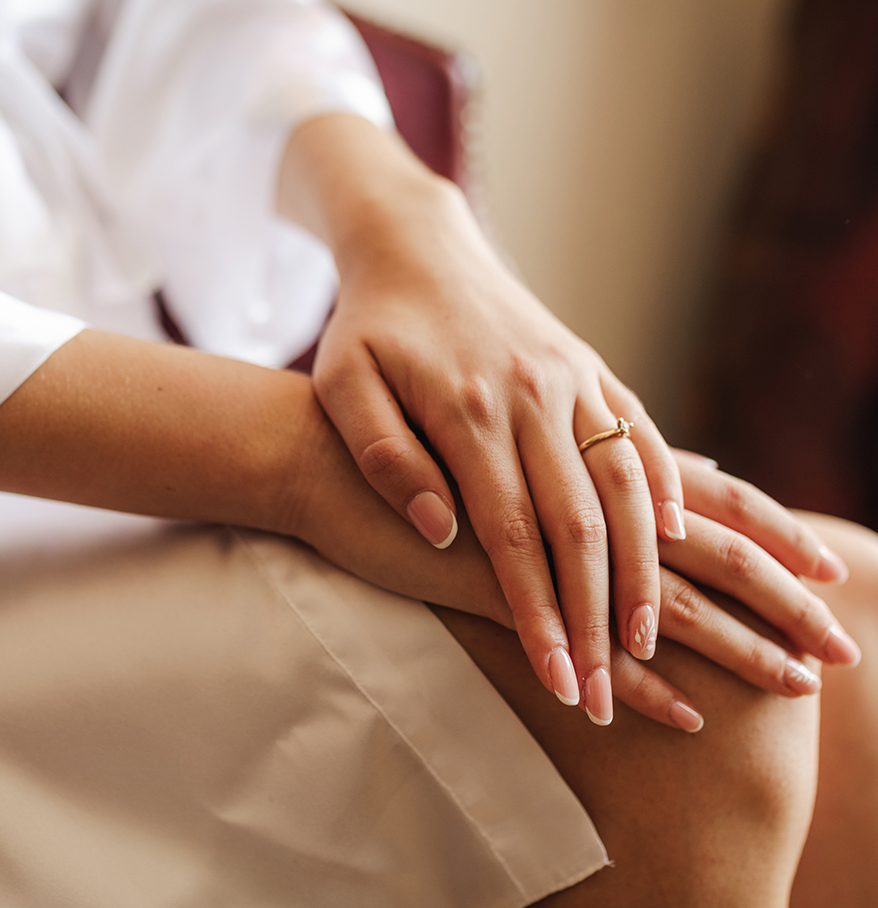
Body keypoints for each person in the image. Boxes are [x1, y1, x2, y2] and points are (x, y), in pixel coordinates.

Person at [0, 1, 874, 906]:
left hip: (115, 369)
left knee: (854, 615)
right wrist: (299, 461)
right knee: (698, 704)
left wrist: (415, 229)